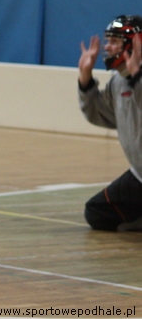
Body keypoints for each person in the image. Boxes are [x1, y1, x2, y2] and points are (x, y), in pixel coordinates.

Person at [78, 14, 142, 232]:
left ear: (134, 44)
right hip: (139, 175)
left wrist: (137, 78)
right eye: (108, 41)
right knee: (96, 212)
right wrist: (85, 80)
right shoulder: (118, 81)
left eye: (114, 41)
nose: (107, 47)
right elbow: (101, 115)